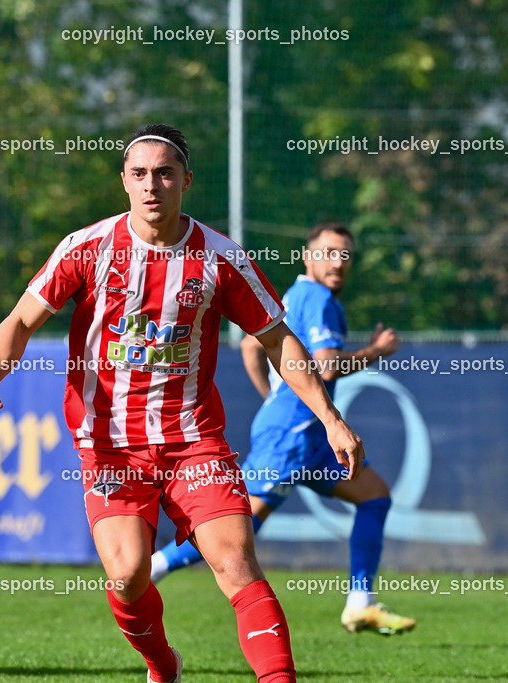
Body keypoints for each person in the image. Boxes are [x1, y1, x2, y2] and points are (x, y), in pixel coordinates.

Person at [0, 124, 367, 683]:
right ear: (125, 182)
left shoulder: (222, 258)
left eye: (165, 173)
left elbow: (276, 339)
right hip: (110, 445)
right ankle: (163, 665)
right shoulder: (86, 248)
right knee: (128, 575)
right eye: (140, 174)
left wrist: (331, 418)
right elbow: (22, 321)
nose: (152, 185)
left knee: (236, 563)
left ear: (186, 181)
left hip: (194, 439)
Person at [151, 223, 416, 635]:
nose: (337, 262)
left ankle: (360, 603)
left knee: (374, 495)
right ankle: (152, 569)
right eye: (328, 252)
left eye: (345, 255)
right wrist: (376, 352)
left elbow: (249, 346)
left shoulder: (293, 295)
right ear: (308, 257)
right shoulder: (318, 297)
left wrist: (275, 395)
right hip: (294, 434)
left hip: (309, 437)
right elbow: (327, 365)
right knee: (237, 530)